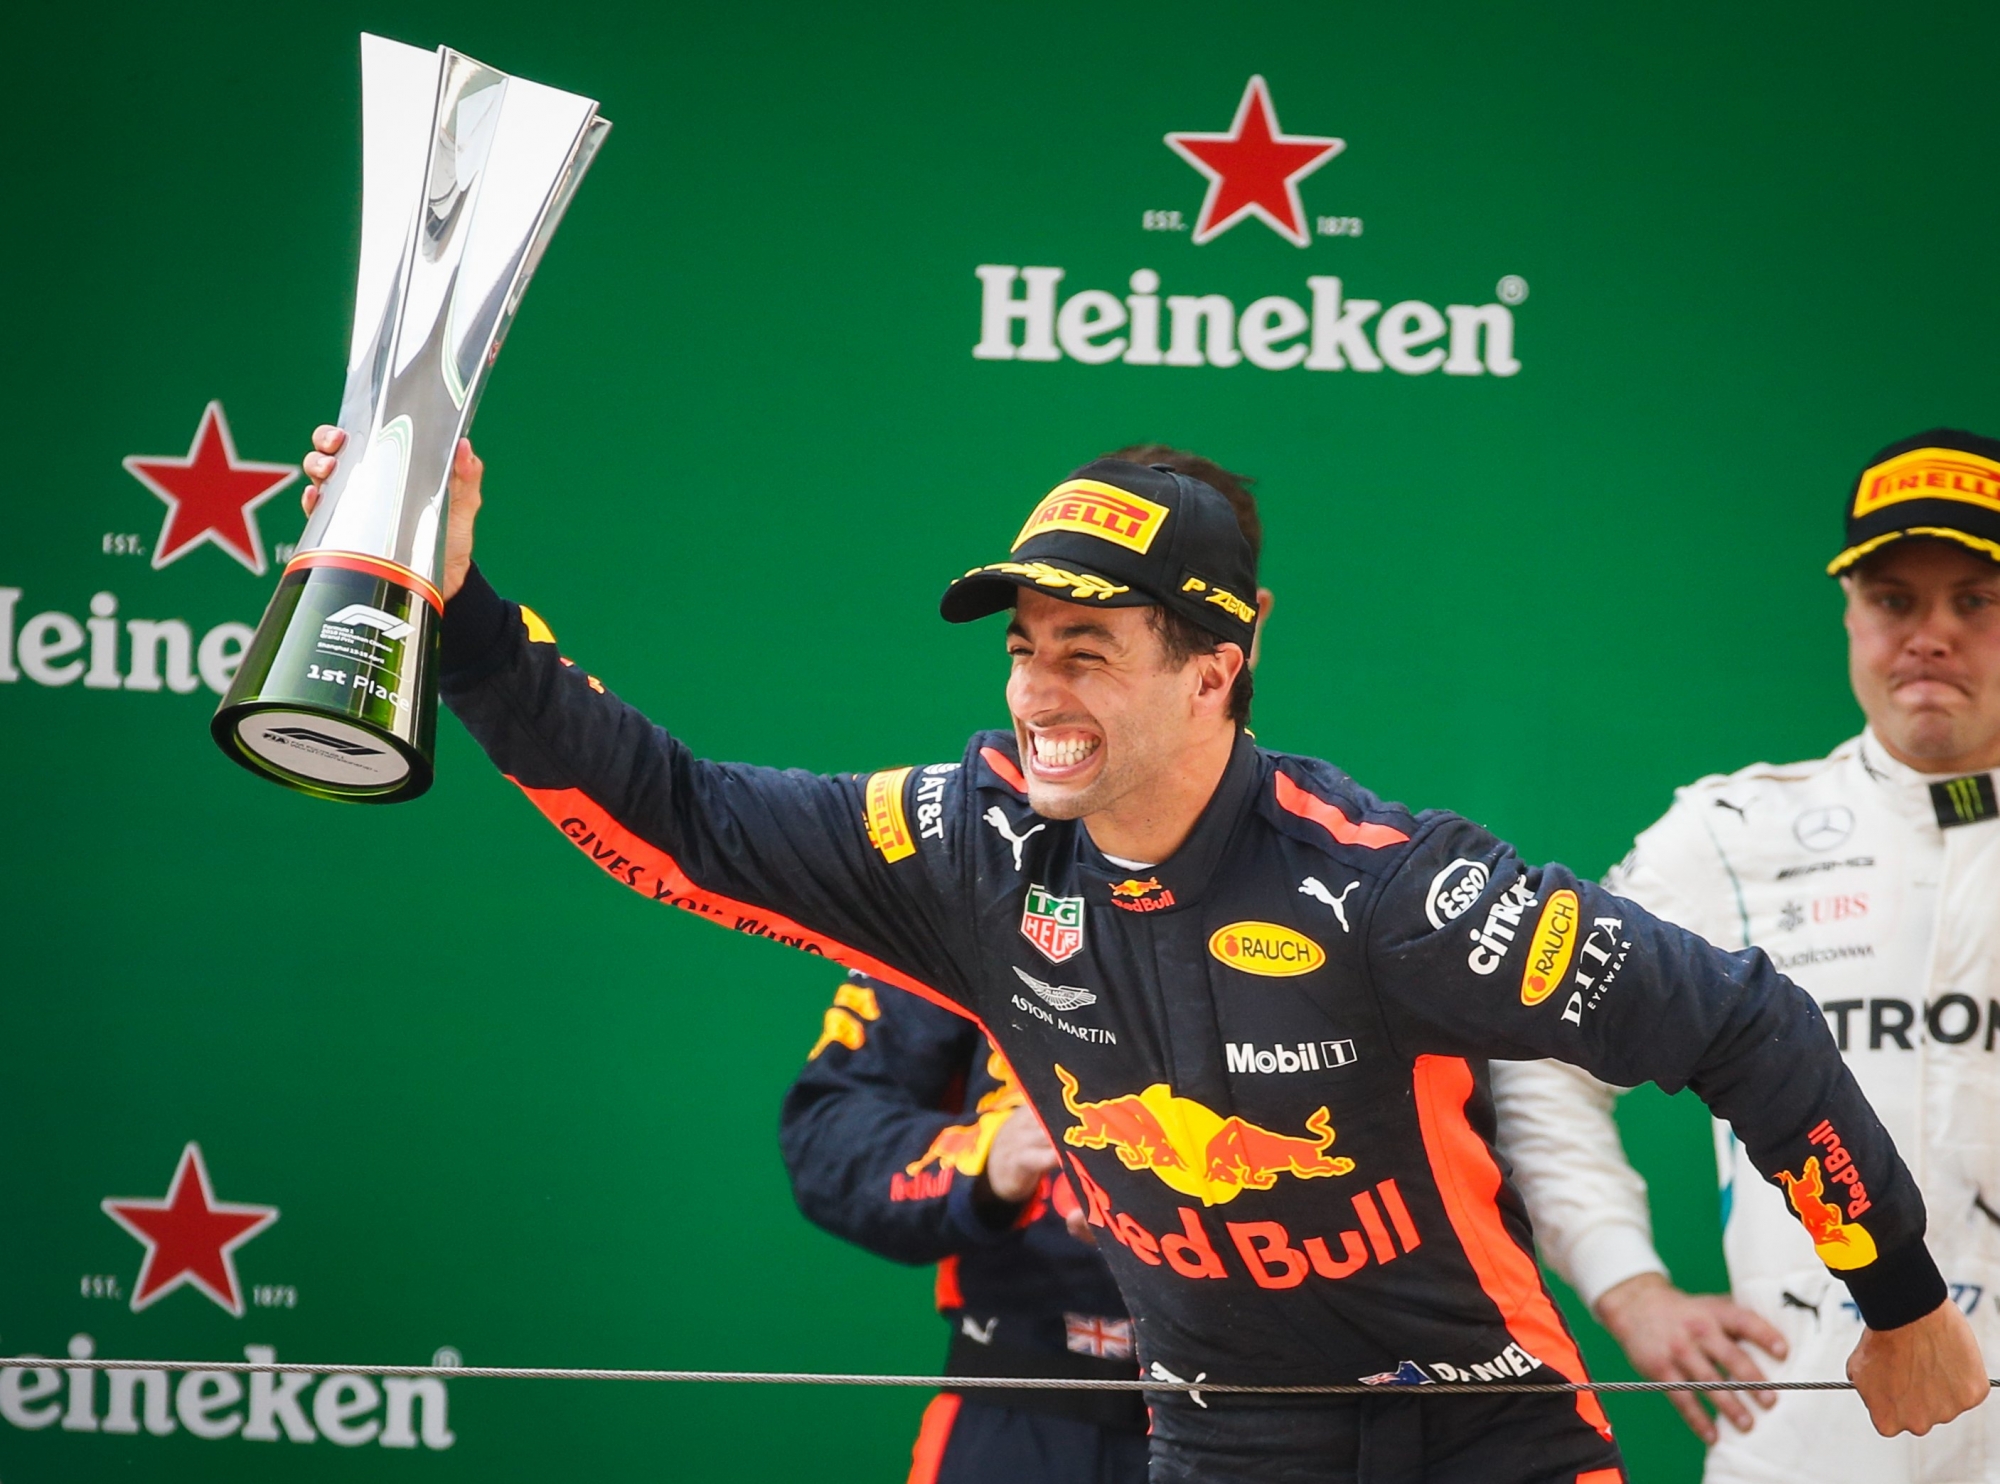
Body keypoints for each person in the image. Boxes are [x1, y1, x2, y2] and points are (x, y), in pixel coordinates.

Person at [301, 426, 1986, 1484]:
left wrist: (1897, 1297)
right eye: (1028, 645)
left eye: (1087, 648)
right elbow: (680, 815)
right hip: (1226, 1432)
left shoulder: (1388, 886)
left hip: (1477, 1425)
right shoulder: (964, 841)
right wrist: (462, 611)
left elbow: (1742, 1026)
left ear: (1215, 668)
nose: (1038, 689)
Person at [1490, 428, 2000, 1479]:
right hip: (1804, 1439)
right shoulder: (1727, 832)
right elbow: (1536, 1054)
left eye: (1973, 599)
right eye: (1894, 599)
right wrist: (1628, 1285)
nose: (1929, 635)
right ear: (1851, 614)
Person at [779, 450, 1268, 1484]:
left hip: (1266, 1420)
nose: (1044, 684)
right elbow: (828, 1137)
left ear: (1234, 635)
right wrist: (994, 1156)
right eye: (1034, 638)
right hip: (1017, 1405)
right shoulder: (975, 863)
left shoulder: (1334, 879)